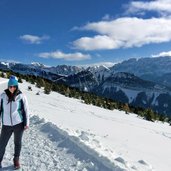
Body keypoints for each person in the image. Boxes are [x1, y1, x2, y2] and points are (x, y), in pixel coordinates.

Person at [0, 75, 29, 169]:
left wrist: (26, 123)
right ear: (8, 86)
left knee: (18, 143)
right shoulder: (3, 96)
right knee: (2, 144)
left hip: (18, 124)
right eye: (10, 86)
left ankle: (16, 159)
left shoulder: (21, 96)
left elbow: (26, 110)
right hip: (6, 125)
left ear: (17, 86)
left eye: (14, 86)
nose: (12, 88)